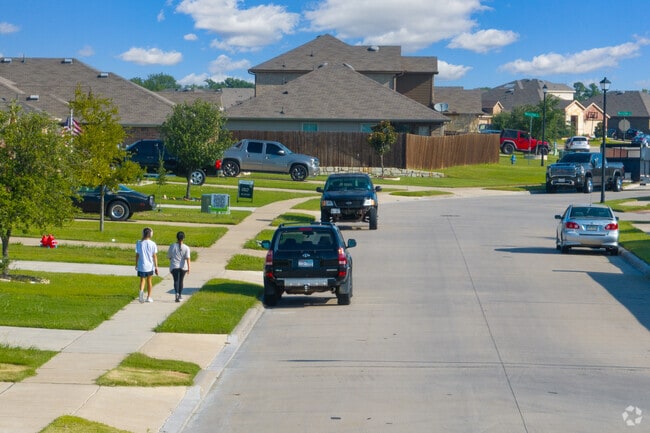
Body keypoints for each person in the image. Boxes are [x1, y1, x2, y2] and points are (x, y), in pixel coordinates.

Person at [135, 227, 158, 303]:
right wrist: (156, 266)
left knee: (142, 280)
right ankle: (149, 297)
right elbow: (154, 256)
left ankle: (141, 292)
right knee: (149, 281)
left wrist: (136, 264)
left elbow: (137, 254)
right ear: (151, 234)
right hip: (150, 266)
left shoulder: (139, 243)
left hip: (141, 265)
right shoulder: (153, 244)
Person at [168, 231, 191, 302]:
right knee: (181, 281)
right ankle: (180, 295)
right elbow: (188, 259)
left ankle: (176, 293)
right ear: (183, 238)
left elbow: (169, 256)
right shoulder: (186, 248)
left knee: (176, 280)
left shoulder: (172, 246)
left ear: (177, 237)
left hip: (174, 266)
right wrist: (189, 268)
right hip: (183, 267)